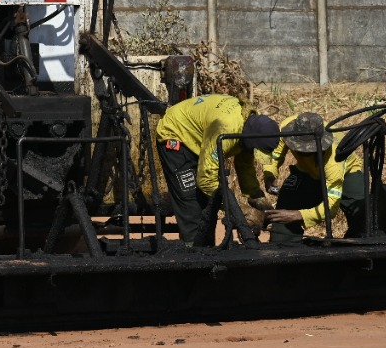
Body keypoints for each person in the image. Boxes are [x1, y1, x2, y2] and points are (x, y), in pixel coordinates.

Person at [155, 94, 279, 246]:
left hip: (201, 136)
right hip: (176, 132)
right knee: (192, 199)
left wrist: (258, 199)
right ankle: (194, 253)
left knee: (209, 201)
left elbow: (245, 166)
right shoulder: (226, 129)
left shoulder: (254, 126)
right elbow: (205, 180)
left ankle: (208, 247)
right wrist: (240, 210)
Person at [263, 111, 365, 245]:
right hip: (306, 171)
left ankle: (352, 247)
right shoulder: (287, 130)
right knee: (283, 215)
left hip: (347, 173)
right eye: (298, 148)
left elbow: (331, 207)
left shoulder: (334, 160)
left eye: (307, 150)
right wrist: (270, 173)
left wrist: (298, 215)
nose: (300, 152)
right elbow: (275, 155)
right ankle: (285, 250)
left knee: (362, 216)